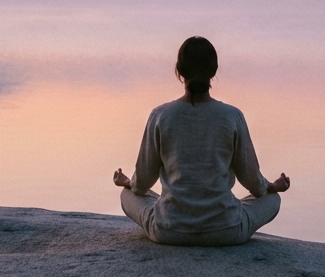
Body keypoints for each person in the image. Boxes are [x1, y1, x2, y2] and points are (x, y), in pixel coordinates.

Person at [114, 36, 290, 246]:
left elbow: (141, 184)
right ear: (214, 71)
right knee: (273, 199)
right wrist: (272, 186)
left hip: (169, 230)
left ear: (179, 71)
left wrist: (127, 182)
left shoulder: (160, 116)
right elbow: (253, 183)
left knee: (127, 195)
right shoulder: (232, 116)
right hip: (226, 231)